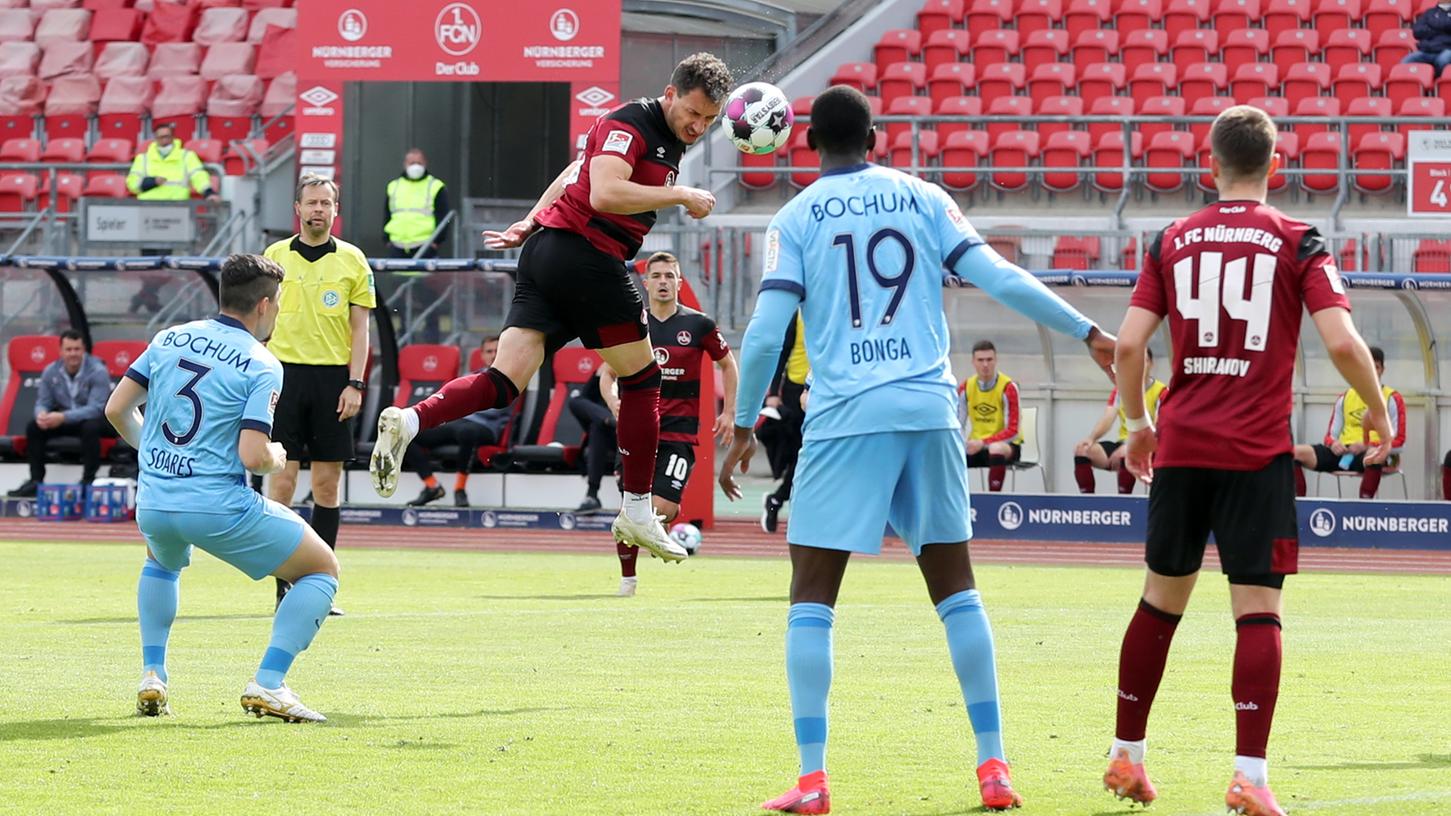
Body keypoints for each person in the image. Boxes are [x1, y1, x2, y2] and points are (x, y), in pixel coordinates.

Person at [718, 85, 1116, 814]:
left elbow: (767, 330)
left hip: (845, 417)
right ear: (875, 138)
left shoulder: (793, 217)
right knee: (957, 590)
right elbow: (998, 276)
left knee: (811, 598)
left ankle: (812, 781)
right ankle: (993, 768)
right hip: (930, 408)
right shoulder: (923, 197)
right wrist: (1088, 331)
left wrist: (744, 423)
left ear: (807, 142)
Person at [1105, 106, 1392, 816]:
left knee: (1157, 605)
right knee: (1257, 615)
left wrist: (1138, 425)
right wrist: (1378, 409)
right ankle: (1247, 777)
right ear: (1275, 167)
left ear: (1210, 166)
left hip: (1180, 451)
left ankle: (1124, 756)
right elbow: (1344, 344)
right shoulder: (1297, 240)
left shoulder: (1170, 238)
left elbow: (1128, 347)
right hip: (1253, 454)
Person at [369, 53, 733, 564]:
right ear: (670, 94)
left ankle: (409, 420)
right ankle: (635, 507)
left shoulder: (655, 134)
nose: (698, 126)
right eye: (692, 113)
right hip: (588, 255)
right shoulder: (634, 122)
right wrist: (680, 194)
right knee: (645, 379)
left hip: (547, 251)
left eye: (709, 121)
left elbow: (574, 171)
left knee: (503, 380)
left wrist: (529, 220)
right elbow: (604, 192)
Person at [104, 253, 340, 723]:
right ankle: (270, 684)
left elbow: (116, 410)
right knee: (321, 569)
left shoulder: (168, 337)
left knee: (161, 562)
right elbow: (254, 455)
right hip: (217, 505)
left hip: (153, 500)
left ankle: (153, 675)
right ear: (266, 305)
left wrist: (151, 454)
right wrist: (277, 456)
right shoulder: (262, 362)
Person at [264, 175, 374, 613]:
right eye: (311, 202)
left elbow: (360, 328)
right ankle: (281, 586)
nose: (318, 210)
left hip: (333, 381)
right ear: (297, 208)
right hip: (284, 377)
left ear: (335, 210)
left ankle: (320, 585)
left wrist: (356, 383)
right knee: (283, 482)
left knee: (327, 485)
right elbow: (259, 319)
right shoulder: (274, 257)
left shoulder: (353, 260)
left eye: (326, 203)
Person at [598, 251, 738, 596]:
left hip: (678, 432)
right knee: (630, 507)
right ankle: (628, 580)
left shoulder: (698, 325)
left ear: (679, 282)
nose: (663, 281)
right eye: (656, 276)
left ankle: (654, 536)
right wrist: (614, 400)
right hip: (637, 430)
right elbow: (607, 374)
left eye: (669, 276)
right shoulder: (633, 325)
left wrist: (729, 412)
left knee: (664, 507)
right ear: (645, 284)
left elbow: (729, 365)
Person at [402, 335, 510, 507]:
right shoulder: (470, 377)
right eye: (489, 351)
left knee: (467, 432)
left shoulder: (509, 378)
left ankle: (459, 489)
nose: (493, 355)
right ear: (481, 355)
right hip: (460, 424)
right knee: (408, 433)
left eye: (497, 351)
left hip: (486, 427)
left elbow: (495, 408)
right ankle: (432, 486)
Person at [7, 329, 116, 497]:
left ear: (84, 350)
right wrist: (42, 415)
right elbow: (43, 402)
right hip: (64, 419)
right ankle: (35, 481)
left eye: (77, 349)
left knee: (91, 427)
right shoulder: (50, 371)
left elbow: (96, 408)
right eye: (69, 349)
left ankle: (88, 481)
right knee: (34, 427)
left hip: (92, 419)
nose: (73, 354)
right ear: (61, 351)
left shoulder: (98, 371)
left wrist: (63, 417)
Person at [1291, 346, 1405, 499]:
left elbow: (1399, 442)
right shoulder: (1345, 397)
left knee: (1374, 455)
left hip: (1373, 453)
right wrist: (1334, 444)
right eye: (1367, 365)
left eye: (1376, 367)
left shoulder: (1392, 398)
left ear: (1382, 370)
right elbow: (1330, 436)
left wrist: (1366, 445)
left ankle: (1363, 510)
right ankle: (1298, 506)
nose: (1371, 370)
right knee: (1292, 453)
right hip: (1344, 453)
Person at [1074, 347, 1168, 494]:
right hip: (1123, 444)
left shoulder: (1161, 391)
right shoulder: (1121, 389)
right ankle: (1088, 502)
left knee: (1127, 453)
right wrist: (1091, 438)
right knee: (1083, 450)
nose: (1139, 365)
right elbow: (1108, 417)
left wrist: (1132, 446)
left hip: (1150, 447)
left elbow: (1159, 428)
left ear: (1150, 364)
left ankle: (1124, 503)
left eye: (1144, 361)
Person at [760, 313, 808, 533]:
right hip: (795, 391)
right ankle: (778, 499)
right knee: (801, 453)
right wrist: (772, 393)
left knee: (811, 455)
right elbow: (782, 353)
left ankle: (778, 499)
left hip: (829, 389)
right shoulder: (797, 314)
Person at [958, 340, 1021, 493]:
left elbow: (1013, 431)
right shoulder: (965, 387)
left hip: (1006, 446)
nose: (985, 365)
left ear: (995, 360)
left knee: (995, 448)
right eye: (980, 360)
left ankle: (994, 500)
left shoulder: (1008, 387)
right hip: (976, 446)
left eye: (989, 360)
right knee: (948, 452)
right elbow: (957, 423)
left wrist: (983, 443)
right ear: (973, 362)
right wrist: (962, 443)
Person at [383, 148, 452, 258]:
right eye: (412, 163)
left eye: (419, 163)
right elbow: (387, 214)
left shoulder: (435, 186)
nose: (415, 166)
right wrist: (386, 239)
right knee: (396, 275)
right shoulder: (393, 186)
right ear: (405, 164)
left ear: (425, 163)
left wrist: (437, 242)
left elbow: (444, 216)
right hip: (397, 246)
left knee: (424, 275)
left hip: (425, 246)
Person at [125, 123, 218, 202]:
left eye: (167, 137)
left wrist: (208, 192)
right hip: (148, 205)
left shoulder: (186, 156)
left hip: (177, 206)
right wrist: (151, 182)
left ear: (173, 137)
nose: (164, 140)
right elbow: (132, 183)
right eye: (161, 137)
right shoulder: (143, 158)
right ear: (155, 139)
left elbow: (199, 176)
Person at [569, 369, 618, 514]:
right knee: (576, 402)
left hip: (630, 432)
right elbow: (583, 399)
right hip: (609, 430)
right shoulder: (609, 369)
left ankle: (592, 494)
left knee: (598, 425)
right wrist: (600, 375)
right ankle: (610, 420)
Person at [1403, 0, 1451, 77]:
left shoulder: (1431, 17)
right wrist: (1443, 30)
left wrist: (1432, 27)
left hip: (1447, 48)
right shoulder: (1429, 13)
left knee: (1443, 60)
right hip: (1428, 50)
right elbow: (1417, 31)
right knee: (1408, 60)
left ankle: (1436, 81)